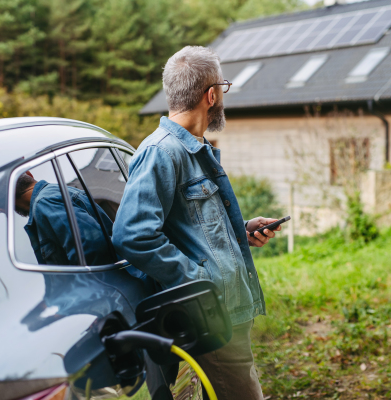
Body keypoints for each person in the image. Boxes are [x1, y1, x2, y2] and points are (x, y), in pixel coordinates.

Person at [112, 46, 281, 400]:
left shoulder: (195, 148)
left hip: (227, 311)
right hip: (209, 312)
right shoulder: (162, 152)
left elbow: (191, 226)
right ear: (211, 95)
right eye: (223, 88)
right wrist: (198, 280)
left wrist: (242, 231)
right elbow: (132, 235)